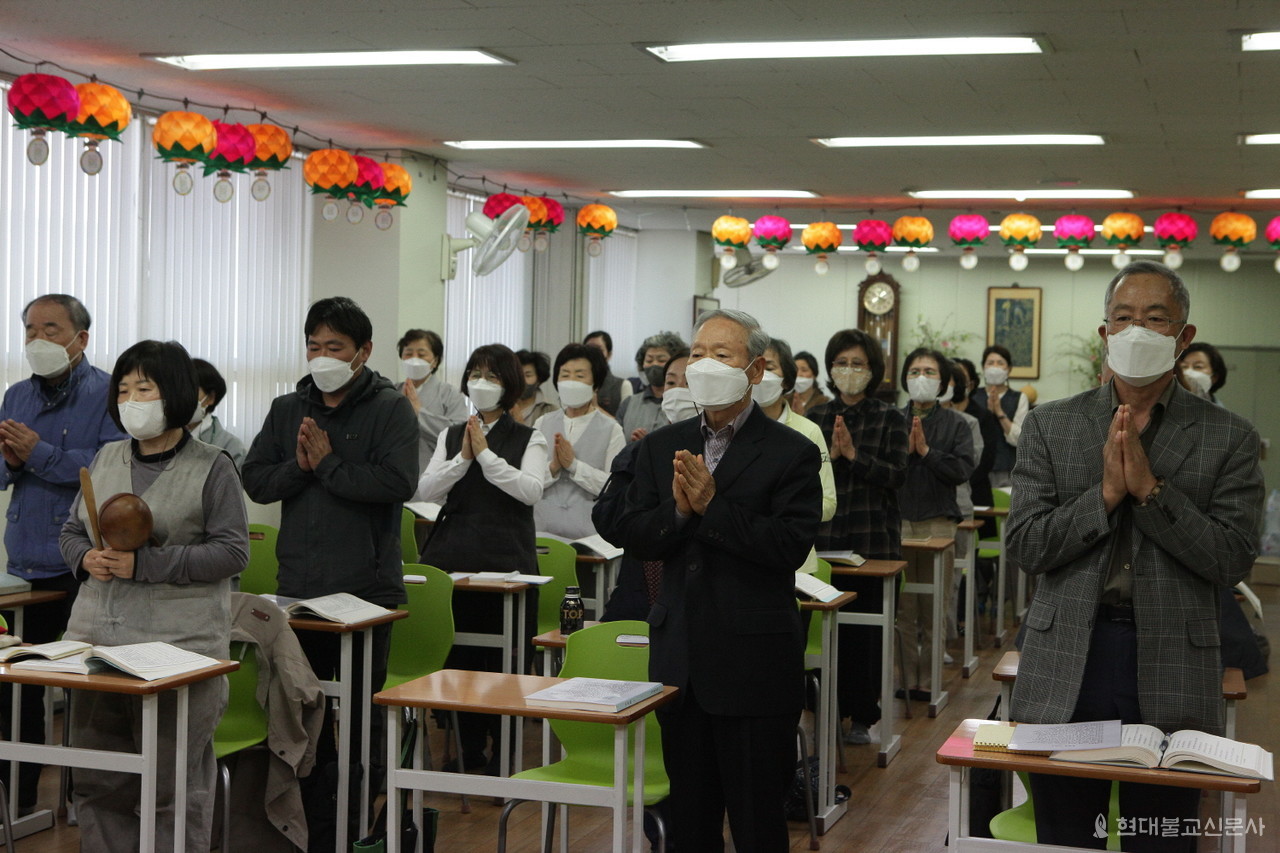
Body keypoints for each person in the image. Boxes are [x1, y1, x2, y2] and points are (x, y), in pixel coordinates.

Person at [1008, 260, 1263, 851]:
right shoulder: (1053, 425)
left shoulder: (1229, 437)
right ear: (1105, 333)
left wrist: (1151, 492)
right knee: (1066, 832)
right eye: (1123, 319)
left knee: (1161, 832)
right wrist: (1102, 497)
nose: (1137, 331)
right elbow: (1026, 544)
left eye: (1155, 319)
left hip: (1174, 656)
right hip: (1070, 649)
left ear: (1184, 338)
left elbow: (1232, 559)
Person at [613, 308, 821, 853]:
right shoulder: (663, 445)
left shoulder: (792, 451)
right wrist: (679, 516)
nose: (705, 364)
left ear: (754, 371)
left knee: (757, 825)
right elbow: (635, 533)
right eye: (698, 353)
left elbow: (787, 547)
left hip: (753, 664)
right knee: (690, 823)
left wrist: (711, 507)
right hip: (680, 658)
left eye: (721, 355)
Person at [60, 339, 249, 851]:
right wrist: (84, 557)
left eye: (143, 387)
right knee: (99, 779)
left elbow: (233, 553)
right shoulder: (105, 456)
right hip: (96, 644)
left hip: (179, 649)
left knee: (172, 785)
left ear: (177, 395)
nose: (130, 400)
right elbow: (71, 531)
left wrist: (146, 564)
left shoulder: (214, 466)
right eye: (123, 389)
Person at [242, 296, 417, 837]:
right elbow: (256, 479)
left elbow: (397, 483)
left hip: (367, 592)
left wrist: (330, 464)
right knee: (303, 709)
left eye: (334, 347)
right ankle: (313, 821)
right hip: (298, 589)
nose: (322, 356)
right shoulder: (287, 408)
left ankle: (360, 823)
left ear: (362, 352)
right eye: (314, 346)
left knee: (361, 719)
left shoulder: (390, 408)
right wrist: (300, 468)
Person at [0, 294, 125, 812]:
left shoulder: (108, 393)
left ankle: (84, 800)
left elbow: (106, 471)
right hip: (26, 561)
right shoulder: (15, 395)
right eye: (30, 329)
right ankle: (19, 803)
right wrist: (11, 460)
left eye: (50, 329)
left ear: (81, 338)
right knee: (17, 691)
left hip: (83, 563)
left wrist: (38, 454)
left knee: (85, 687)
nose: (37, 340)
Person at [416, 343, 547, 769]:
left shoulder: (531, 436)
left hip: (507, 560)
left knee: (502, 661)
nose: (481, 383)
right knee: (462, 657)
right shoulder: (451, 434)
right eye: (475, 374)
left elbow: (531, 490)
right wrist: (463, 459)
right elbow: (427, 489)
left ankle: (503, 751)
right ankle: (467, 749)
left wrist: (487, 457)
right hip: (454, 557)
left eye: (491, 377)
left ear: (509, 385)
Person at [807, 329, 908, 746]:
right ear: (831, 368)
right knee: (826, 630)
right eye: (842, 363)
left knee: (865, 635)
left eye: (858, 364)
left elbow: (897, 475)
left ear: (872, 371)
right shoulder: (815, 417)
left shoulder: (890, 418)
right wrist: (830, 458)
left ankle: (864, 717)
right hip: (825, 540)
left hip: (873, 542)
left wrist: (852, 456)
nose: (849, 371)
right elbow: (803, 479)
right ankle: (824, 709)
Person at [895, 348, 974, 696]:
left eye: (929, 371)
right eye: (914, 371)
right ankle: (906, 680)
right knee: (904, 607)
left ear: (942, 381)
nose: (921, 378)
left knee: (934, 606)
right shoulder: (892, 419)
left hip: (938, 523)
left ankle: (928, 683)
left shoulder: (956, 423)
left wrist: (926, 453)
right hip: (898, 522)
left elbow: (962, 470)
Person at [596, 350, 692, 623]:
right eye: (671, 383)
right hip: (637, 591)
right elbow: (607, 520)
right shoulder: (642, 450)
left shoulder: (721, 452)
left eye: (688, 383)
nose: (678, 391)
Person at [758, 337, 836, 573]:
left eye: (769, 367)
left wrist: (779, 507)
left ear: (786, 379)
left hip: (796, 564)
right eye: (754, 367)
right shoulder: (729, 430)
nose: (760, 374)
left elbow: (828, 504)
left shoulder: (807, 431)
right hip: (741, 565)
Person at [534, 342, 625, 539]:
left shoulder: (612, 429)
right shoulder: (542, 423)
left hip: (590, 536)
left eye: (580, 375)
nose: (571, 381)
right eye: (565, 375)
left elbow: (614, 487)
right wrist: (553, 468)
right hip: (541, 532)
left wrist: (574, 466)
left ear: (596, 383)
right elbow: (529, 481)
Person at [396, 328, 469, 469]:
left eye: (421, 354)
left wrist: (419, 413)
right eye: (409, 354)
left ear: (435, 361)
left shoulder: (450, 394)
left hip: (432, 472)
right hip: (395, 473)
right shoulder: (392, 391)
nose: (414, 359)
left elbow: (459, 436)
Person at [967, 344, 1028, 488]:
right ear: (983, 368)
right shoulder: (972, 396)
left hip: (1007, 468)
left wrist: (999, 412)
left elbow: (1021, 439)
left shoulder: (1019, 397)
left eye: (1000, 363)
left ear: (1009, 369)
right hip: (975, 467)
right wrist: (986, 414)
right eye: (990, 363)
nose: (995, 367)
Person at [616, 331, 686, 442]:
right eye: (649, 360)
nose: (654, 364)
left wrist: (650, 444)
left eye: (661, 360)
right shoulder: (629, 403)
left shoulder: (685, 403)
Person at [188, 357, 247, 470]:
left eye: (191, 390)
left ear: (210, 398)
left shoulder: (231, 447)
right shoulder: (161, 438)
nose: (183, 397)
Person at [583, 330, 632, 416]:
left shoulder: (623, 385)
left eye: (598, 349)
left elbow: (626, 424)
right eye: (588, 348)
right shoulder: (577, 383)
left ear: (609, 354)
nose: (593, 353)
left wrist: (596, 408)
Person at [511, 349, 557, 427]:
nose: (522, 380)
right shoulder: (502, 407)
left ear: (539, 380)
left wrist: (520, 424)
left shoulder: (550, 410)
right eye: (517, 374)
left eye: (528, 375)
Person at [788, 349, 830, 416]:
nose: (799, 374)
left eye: (804, 370)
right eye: (795, 370)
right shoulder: (784, 401)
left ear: (814, 375)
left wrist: (802, 415)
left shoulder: (824, 402)